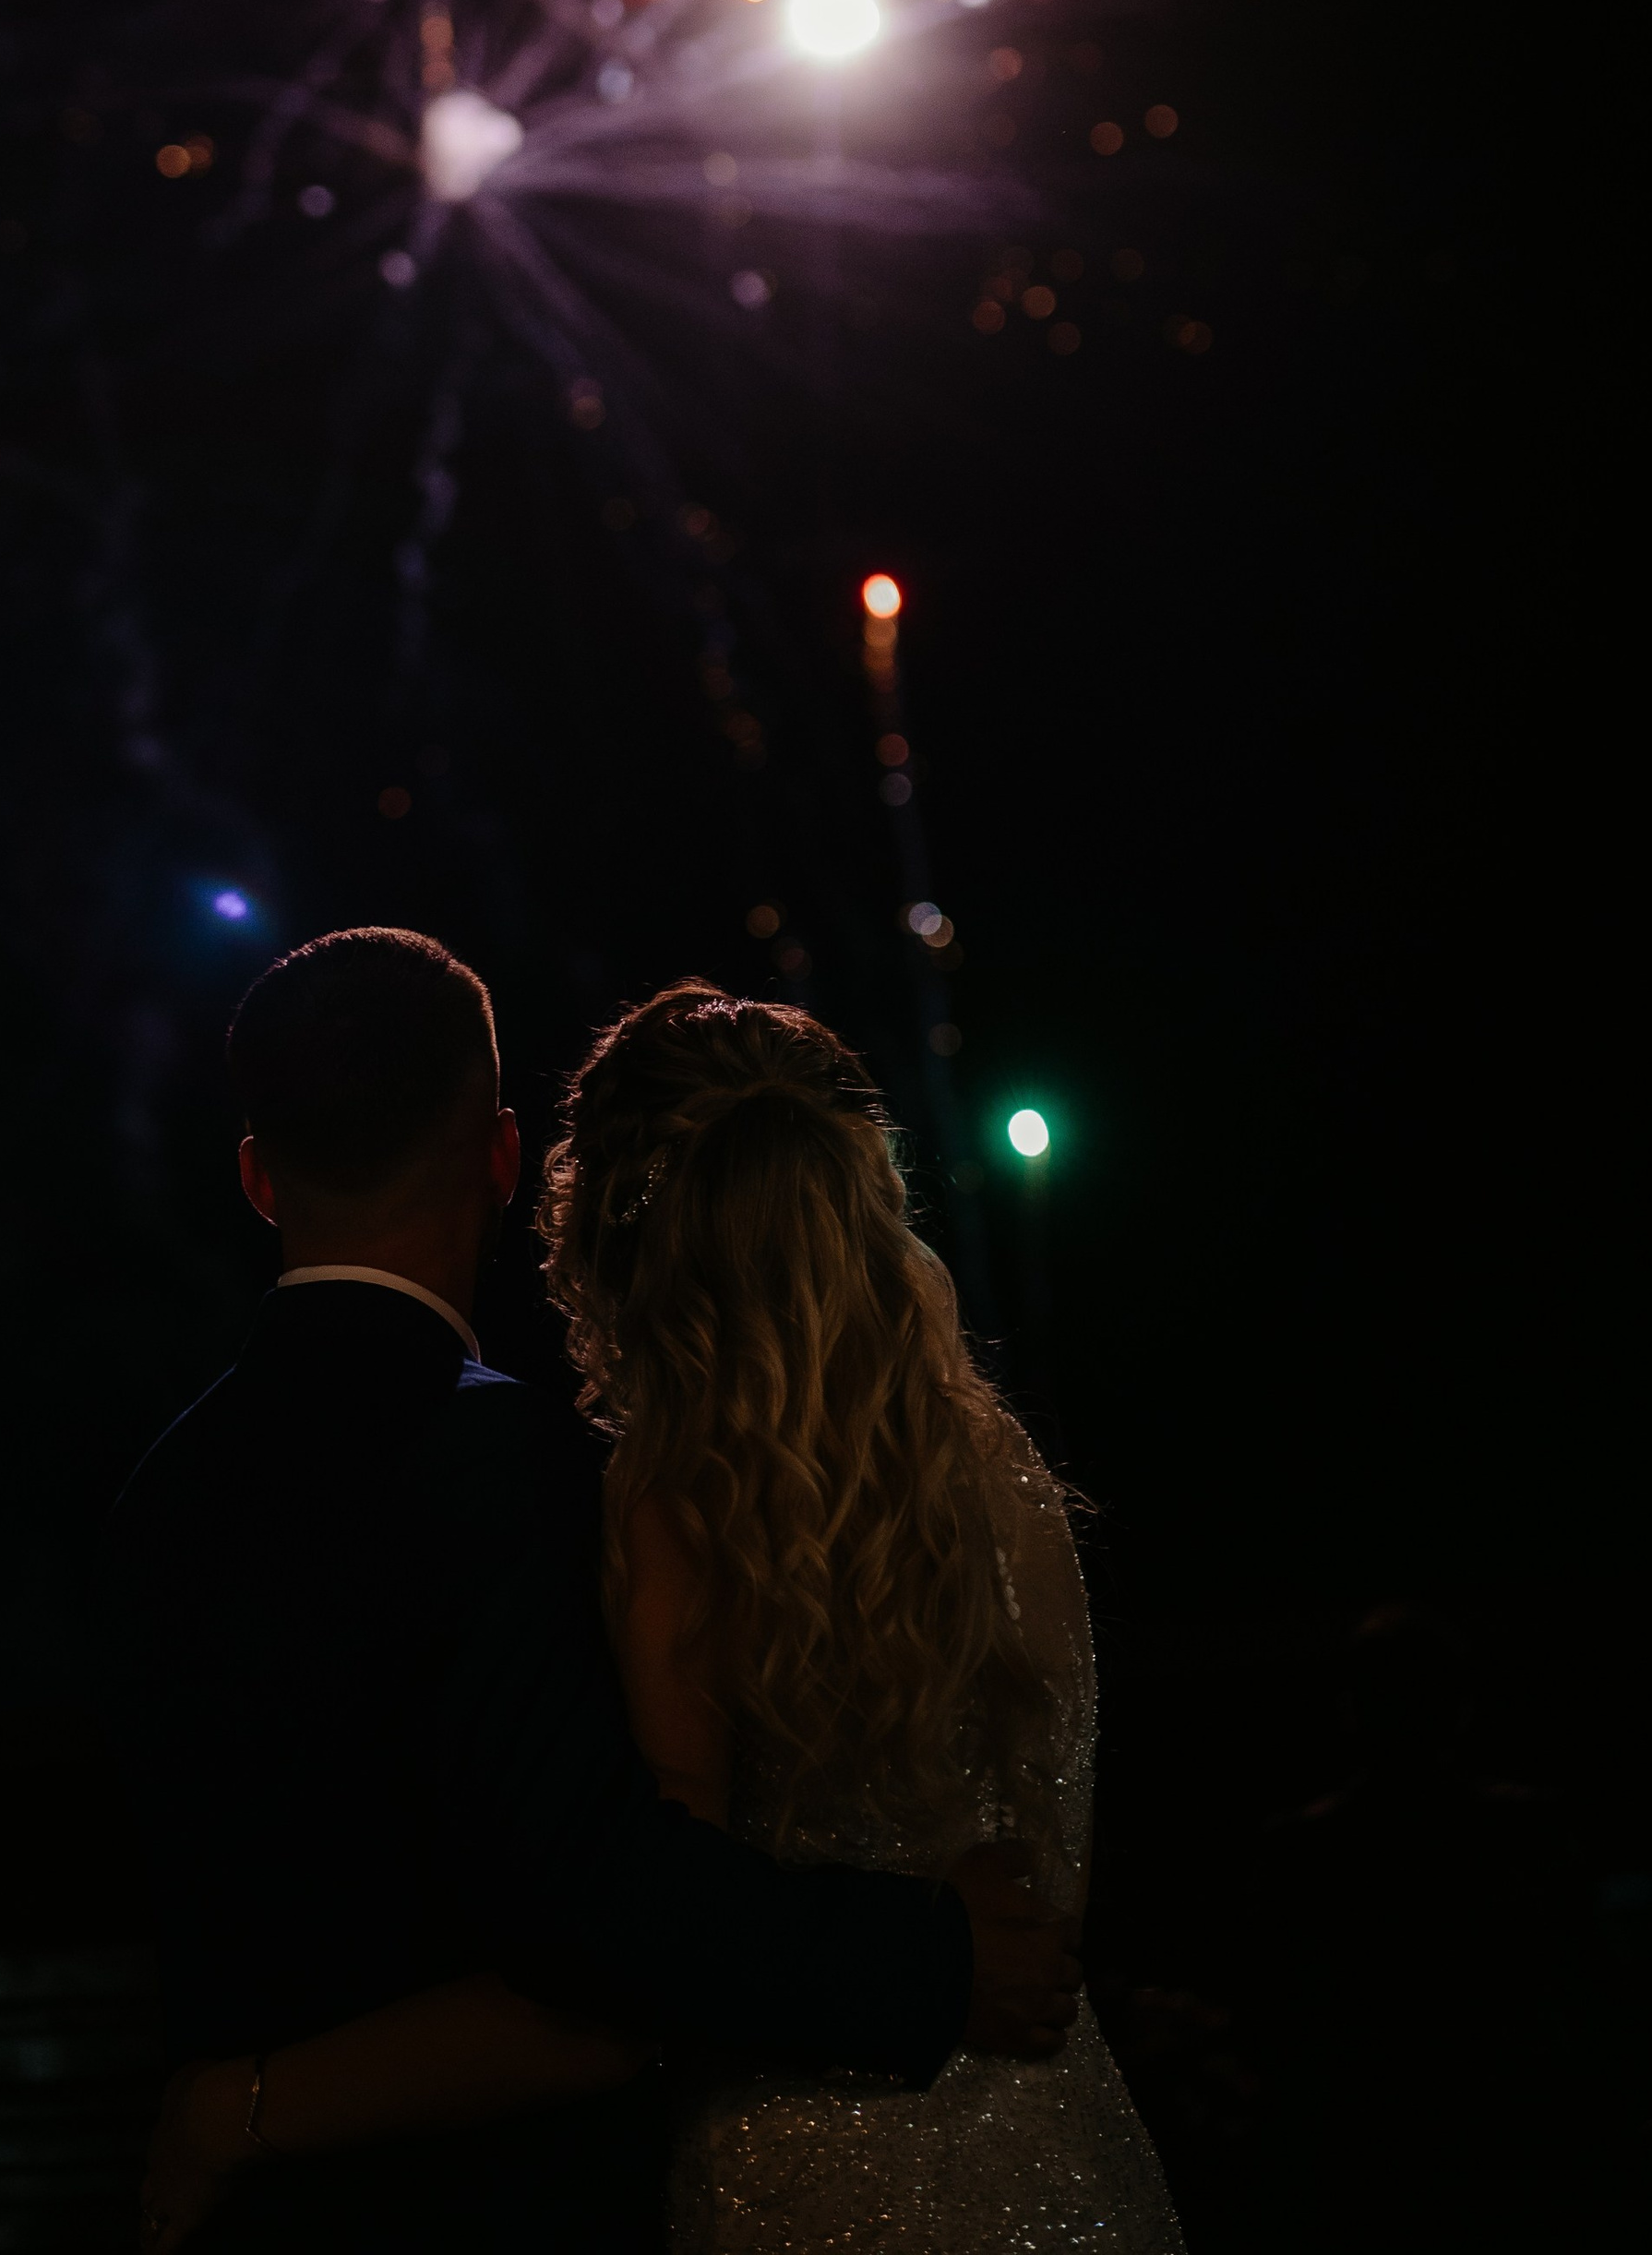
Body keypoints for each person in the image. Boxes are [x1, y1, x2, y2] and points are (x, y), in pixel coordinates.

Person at [108, 934, 1080, 2252]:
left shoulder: (164, 1490)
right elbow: (609, 1912)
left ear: (256, 1177)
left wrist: (238, 2109)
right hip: (534, 2202)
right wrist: (939, 1962)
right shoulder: (526, 1473)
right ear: (501, 1158)